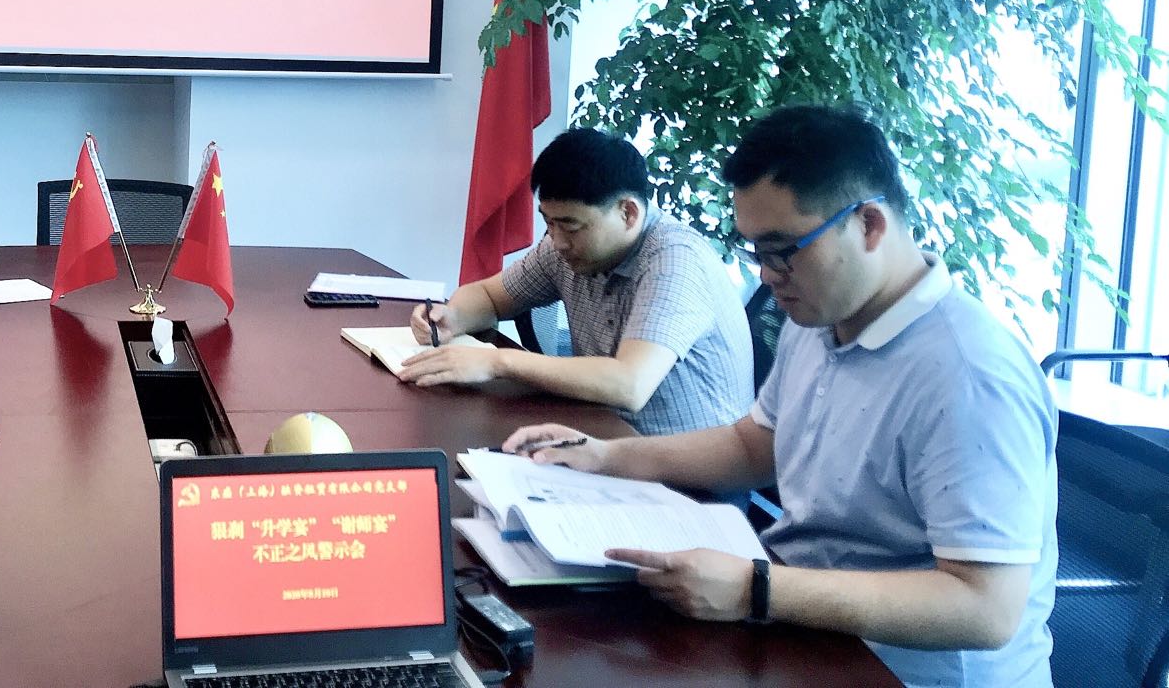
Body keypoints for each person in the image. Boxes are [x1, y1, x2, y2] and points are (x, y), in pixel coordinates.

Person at [503, 105, 1057, 688]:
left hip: (899, 670)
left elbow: (985, 608)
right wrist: (604, 456)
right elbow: (754, 445)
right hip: (805, 628)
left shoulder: (969, 375)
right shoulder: (820, 319)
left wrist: (757, 589)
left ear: (869, 225)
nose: (766, 276)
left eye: (782, 250)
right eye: (755, 252)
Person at [400, 128, 753, 436]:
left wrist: (495, 362)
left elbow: (629, 383)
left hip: (689, 475)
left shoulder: (675, 261)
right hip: (604, 439)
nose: (557, 241)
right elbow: (490, 296)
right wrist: (452, 317)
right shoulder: (565, 249)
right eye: (549, 223)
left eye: (570, 226)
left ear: (628, 213)